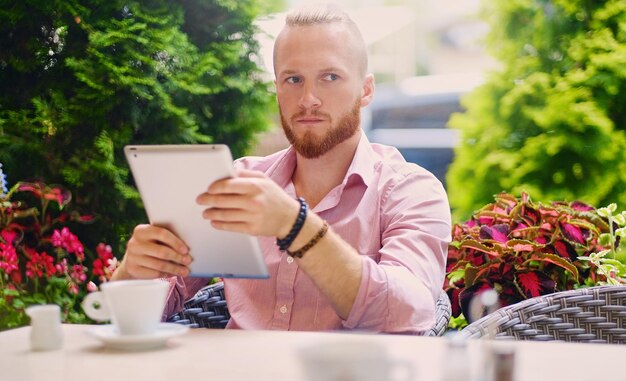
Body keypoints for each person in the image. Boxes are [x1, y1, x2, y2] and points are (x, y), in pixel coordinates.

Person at [111, 3, 451, 334]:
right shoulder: (239, 182)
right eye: (293, 80)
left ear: (366, 90)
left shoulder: (411, 191)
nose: (308, 99)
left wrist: (295, 225)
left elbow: (411, 311)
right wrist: (133, 271)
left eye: (329, 77)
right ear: (277, 89)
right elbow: (155, 304)